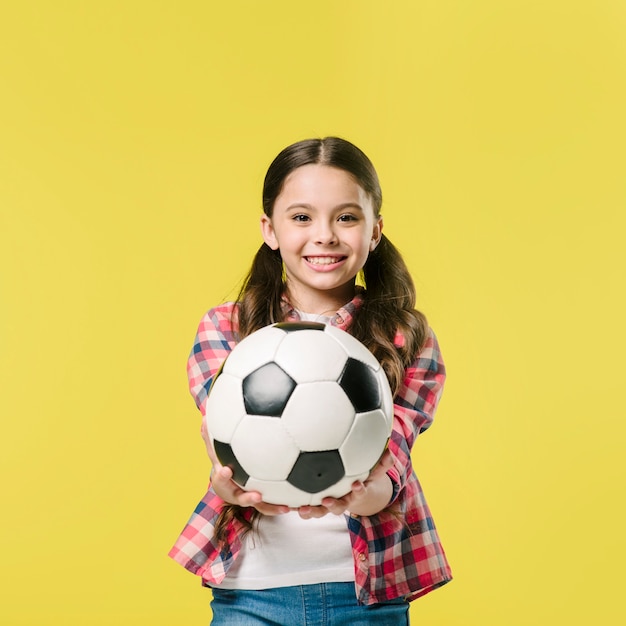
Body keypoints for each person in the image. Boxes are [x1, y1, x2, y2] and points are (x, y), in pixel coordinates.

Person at [169, 137, 452, 625]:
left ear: (375, 230)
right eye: (302, 217)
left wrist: (373, 494)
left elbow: (398, 445)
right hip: (251, 593)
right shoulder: (226, 327)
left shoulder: (405, 335)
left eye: (346, 217)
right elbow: (221, 434)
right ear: (270, 230)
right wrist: (229, 484)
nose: (325, 235)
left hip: (369, 594)